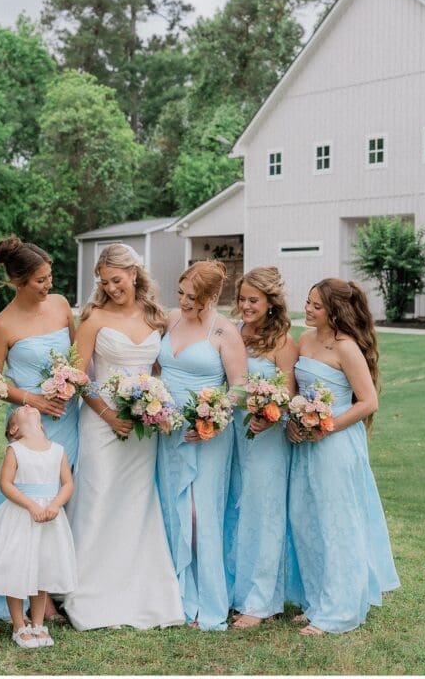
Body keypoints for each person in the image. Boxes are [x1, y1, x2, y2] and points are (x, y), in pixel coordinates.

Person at [61, 243, 184, 631]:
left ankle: (137, 587)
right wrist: (110, 416)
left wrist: (157, 407)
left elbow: (162, 370)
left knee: (135, 501)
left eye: (117, 280)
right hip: (101, 423)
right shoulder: (94, 318)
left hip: (143, 428)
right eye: (104, 282)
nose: (112, 288)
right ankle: (85, 587)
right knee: (97, 497)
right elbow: (78, 377)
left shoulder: (156, 317)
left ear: (134, 274)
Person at [0, 234, 77, 624]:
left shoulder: (62, 306)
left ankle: (55, 588)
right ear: (18, 281)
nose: (49, 286)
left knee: (64, 501)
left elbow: (78, 358)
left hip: (71, 419)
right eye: (40, 280)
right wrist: (33, 399)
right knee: (26, 506)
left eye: (50, 277)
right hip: (33, 426)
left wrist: (70, 381)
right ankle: (19, 592)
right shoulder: (1, 326)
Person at [286, 278, 400, 635]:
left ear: (334, 312)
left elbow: (368, 402)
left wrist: (328, 426)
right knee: (306, 519)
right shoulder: (304, 340)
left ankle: (339, 609)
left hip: (335, 443)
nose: (307, 309)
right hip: (305, 444)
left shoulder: (346, 347)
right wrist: (295, 421)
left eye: (316, 306)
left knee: (337, 522)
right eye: (307, 302)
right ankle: (318, 598)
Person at [156, 260, 247, 630]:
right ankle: (174, 594)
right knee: (169, 507)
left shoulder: (225, 332)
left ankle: (206, 601)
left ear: (211, 297)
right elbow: (157, 369)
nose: (183, 301)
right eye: (180, 293)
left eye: (192, 297)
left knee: (199, 514)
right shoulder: (171, 318)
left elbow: (239, 386)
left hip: (207, 434)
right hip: (166, 432)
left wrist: (211, 419)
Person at [0, 404, 77, 650]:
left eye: (30, 409)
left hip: (49, 518)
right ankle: (19, 625)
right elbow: (6, 484)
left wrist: (56, 505)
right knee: (15, 568)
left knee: (43, 568)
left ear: (42, 425)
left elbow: (67, 483)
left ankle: (38, 623)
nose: (28, 406)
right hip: (20, 516)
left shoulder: (58, 450)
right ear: (14, 428)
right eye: (20, 411)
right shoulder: (14, 450)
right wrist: (31, 506)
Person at [224, 267, 298, 629]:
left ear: (271, 302)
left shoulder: (282, 341)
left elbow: (289, 393)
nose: (246, 306)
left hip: (268, 436)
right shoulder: (233, 332)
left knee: (265, 511)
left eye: (253, 300)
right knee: (238, 508)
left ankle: (262, 600)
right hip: (234, 433)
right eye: (242, 299)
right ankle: (236, 591)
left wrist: (270, 414)